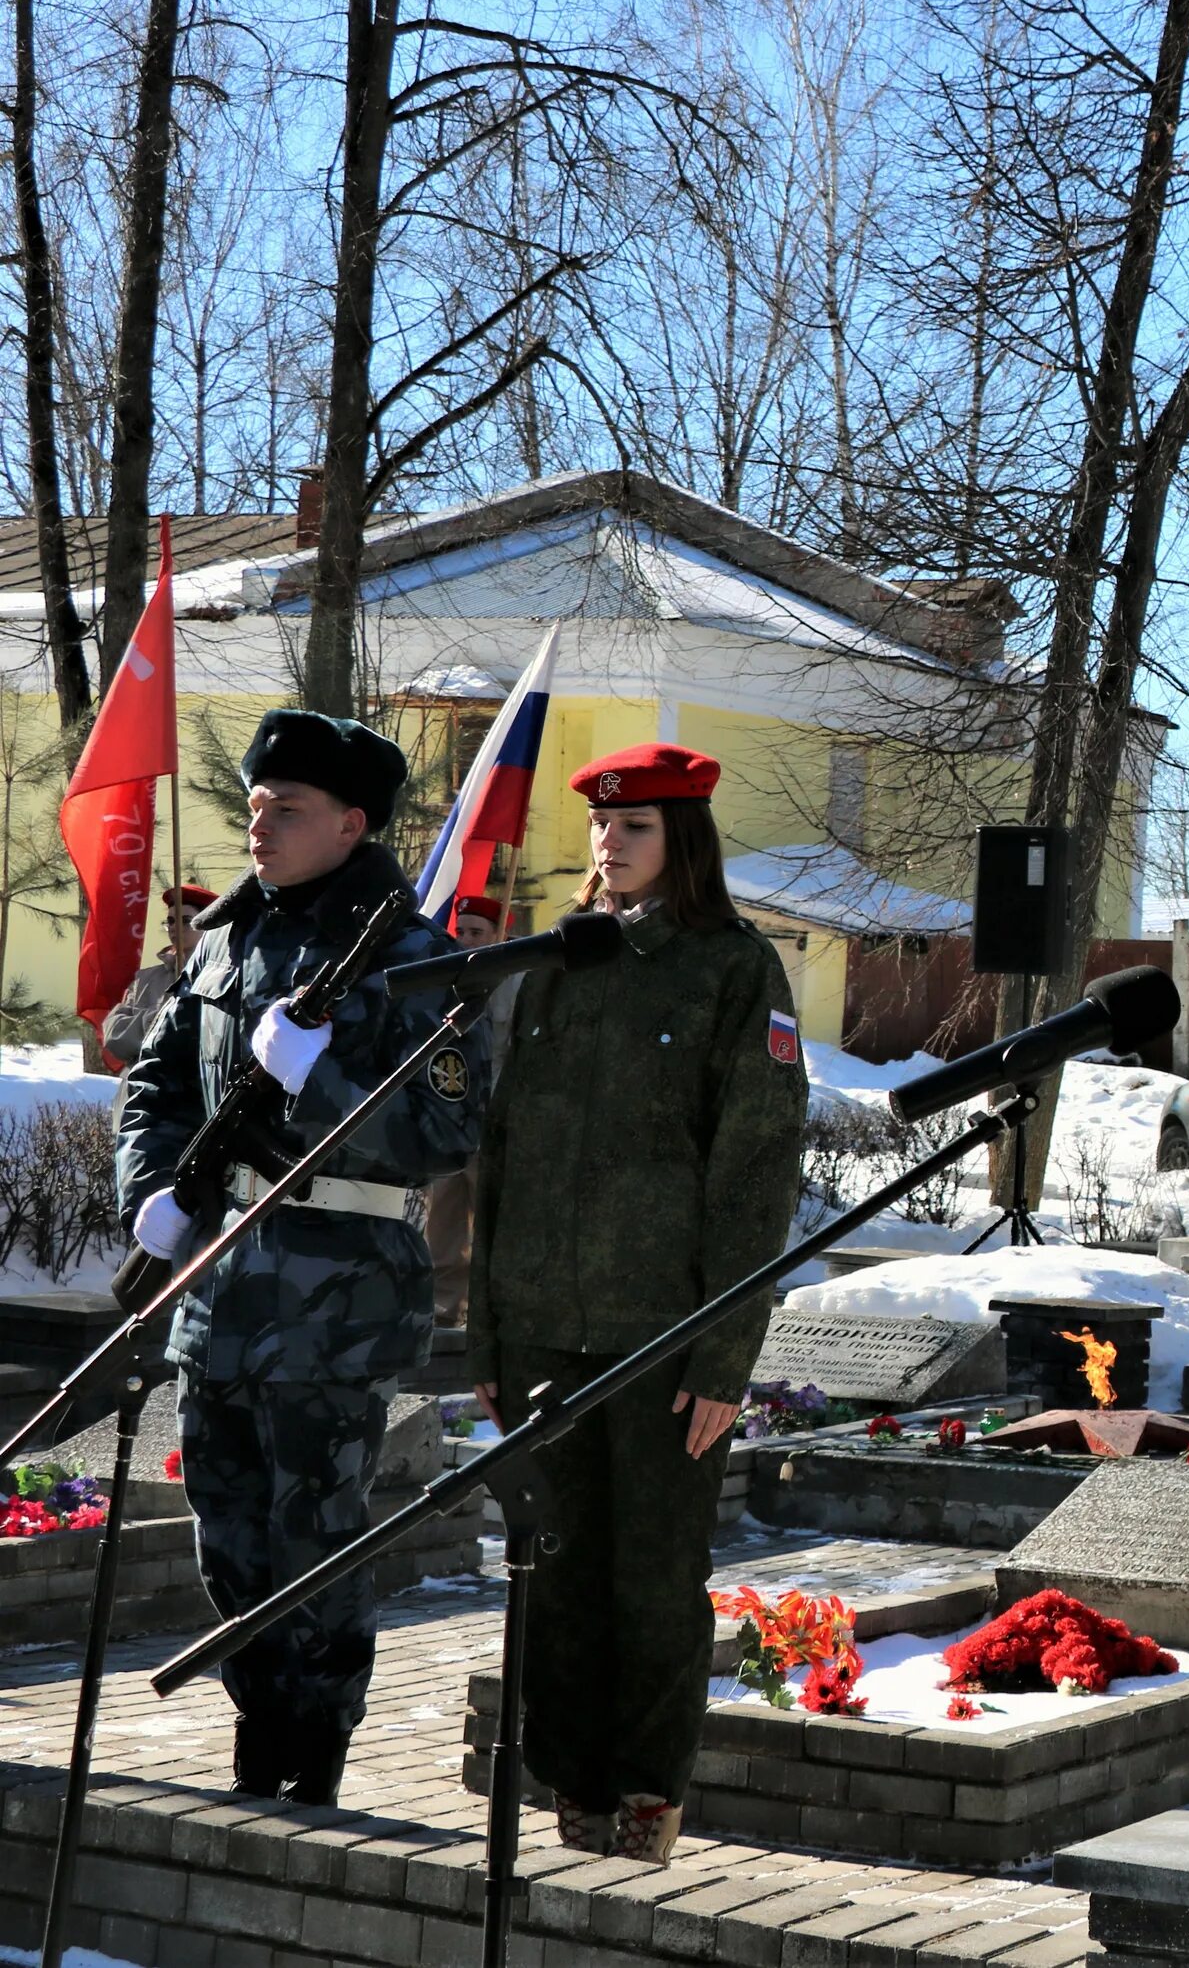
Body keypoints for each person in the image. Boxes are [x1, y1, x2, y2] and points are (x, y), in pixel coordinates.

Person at [116, 711, 488, 1806]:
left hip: (338, 1296)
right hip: (219, 1283)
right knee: (226, 1540)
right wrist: (152, 1196)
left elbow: (445, 1134)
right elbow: (159, 1082)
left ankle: (313, 1752)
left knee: (313, 1539)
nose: (259, 826)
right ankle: (256, 1728)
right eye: (254, 806)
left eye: (287, 809)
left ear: (352, 824)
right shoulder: (230, 940)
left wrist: (318, 1080)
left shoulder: (420, 959)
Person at [468, 743, 810, 1864]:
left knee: (657, 1581)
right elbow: (501, 1156)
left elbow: (755, 1174)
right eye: (603, 830)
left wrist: (723, 1358)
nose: (610, 845)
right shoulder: (554, 966)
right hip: (544, 1331)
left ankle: (647, 1804)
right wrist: (491, 1331)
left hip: (663, 1340)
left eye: (638, 828)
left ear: (687, 840)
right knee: (555, 1575)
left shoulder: (731, 967)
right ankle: (570, 1797)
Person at [423, 896, 512, 1328]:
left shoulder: (519, 981)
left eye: (478, 932)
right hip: (450, 1122)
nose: (466, 940)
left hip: (496, 1122)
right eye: (463, 931)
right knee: (442, 1225)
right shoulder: (447, 981)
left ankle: (494, 1317)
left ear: (500, 936)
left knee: (496, 1224)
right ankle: (444, 1310)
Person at [99, 882, 215, 1074]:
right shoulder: (145, 979)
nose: (174, 927)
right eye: (170, 921)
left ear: (207, 923)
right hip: (142, 1088)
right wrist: (159, 1020)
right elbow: (114, 1037)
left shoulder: (220, 976)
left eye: (185, 920)